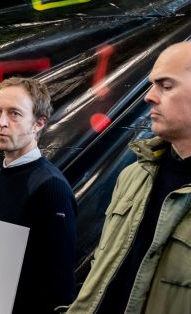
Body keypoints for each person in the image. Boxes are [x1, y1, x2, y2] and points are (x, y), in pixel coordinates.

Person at [68, 42, 191, 314]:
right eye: (151, 85)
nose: (149, 97)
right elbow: (101, 270)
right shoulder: (133, 176)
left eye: (165, 86)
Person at [0, 77, 77, 313]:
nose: (1, 122)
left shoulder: (51, 187)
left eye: (14, 114)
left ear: (38, 123)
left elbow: (60, 291)